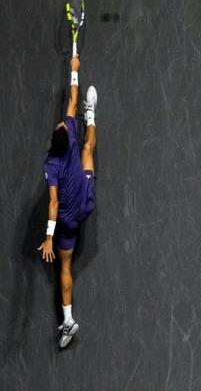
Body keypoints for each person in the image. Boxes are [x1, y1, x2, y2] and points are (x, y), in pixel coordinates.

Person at [38, 55, 97, 348]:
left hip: (69, 222)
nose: (62, 122)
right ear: (65, 133)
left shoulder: (51, 164)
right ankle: (92, 115)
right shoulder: (72, 136)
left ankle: (68, 319)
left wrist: (50, 237)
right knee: (88, 148)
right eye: (63, 124)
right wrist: (74, 70)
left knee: (64, 266)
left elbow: (53, 203)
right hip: (85, 202)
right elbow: (72, 99)